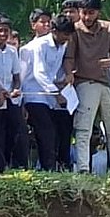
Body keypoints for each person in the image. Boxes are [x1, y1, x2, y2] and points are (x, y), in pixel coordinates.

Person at [64, 0, 110, 174]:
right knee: (83, 128)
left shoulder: (107, 28)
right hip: (85, 83)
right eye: (84, 12)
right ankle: (83, 168)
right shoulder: (74, 30)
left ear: (98, 12)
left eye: (91, 13)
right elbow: (69, 57)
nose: (87, 17)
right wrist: (69, 74)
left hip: (106, 83)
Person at [20, 17, 74, 172]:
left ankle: (56, 168)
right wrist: (56, 93)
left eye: (69, 35)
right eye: (65, 34)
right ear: (54, 31)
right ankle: (46, 169)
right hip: (34, 94)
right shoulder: (40, 45)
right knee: (46, 131)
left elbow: (52, 74)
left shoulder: (62, 46)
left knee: (57, 132)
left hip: (49, 96)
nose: (67, 38)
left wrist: (64, 80)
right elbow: (40, 73)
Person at [0, 14, 28, 169]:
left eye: (6, 31)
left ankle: (13, 165)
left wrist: (16, 89)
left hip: (11, 99)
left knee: (15, 131)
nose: (3, 34)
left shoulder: (12, 51)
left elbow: (16, 76)